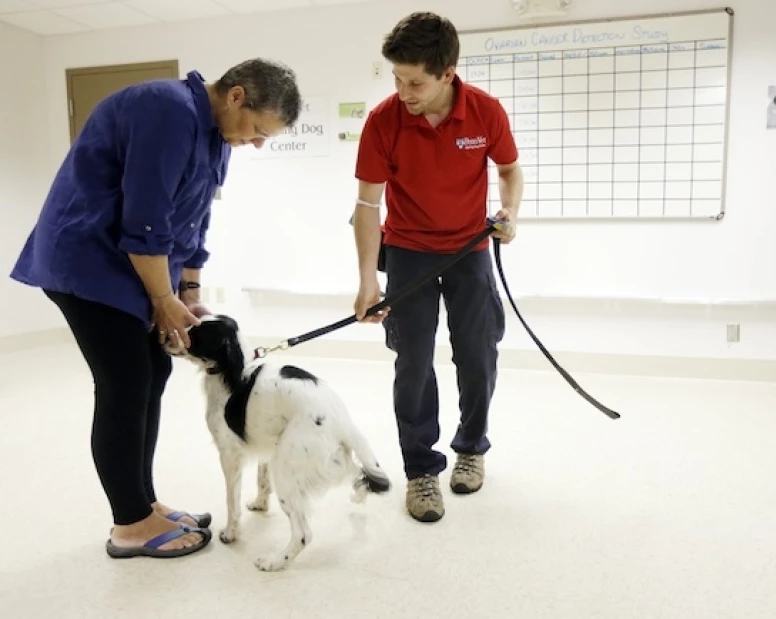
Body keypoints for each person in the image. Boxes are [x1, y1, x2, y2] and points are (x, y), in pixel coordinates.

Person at [9, 59, 302, 558]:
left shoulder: (216, 135)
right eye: (257, 130)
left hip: (132, 268)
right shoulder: (164, 111)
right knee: (124, 382)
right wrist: (162, 300)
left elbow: (194, 217)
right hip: (89, 264)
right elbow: (145, 219)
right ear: (235, 96)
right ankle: (129, 524)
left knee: (153, 373)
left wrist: (187, 290)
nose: (255, 143)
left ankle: (143, 504)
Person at [352, 12, 523, 523]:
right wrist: (366, 280)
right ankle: (421, 471)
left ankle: (471, 448)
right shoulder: (383, 121)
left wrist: (510, 213)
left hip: (470, 249)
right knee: (413, 362)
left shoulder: (486, 112)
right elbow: (366, 207)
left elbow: (510, 170)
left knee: (477, 354)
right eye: (397, 79)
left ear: (448, 72)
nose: (404, 91)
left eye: (416, 82)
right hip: (406, 251)